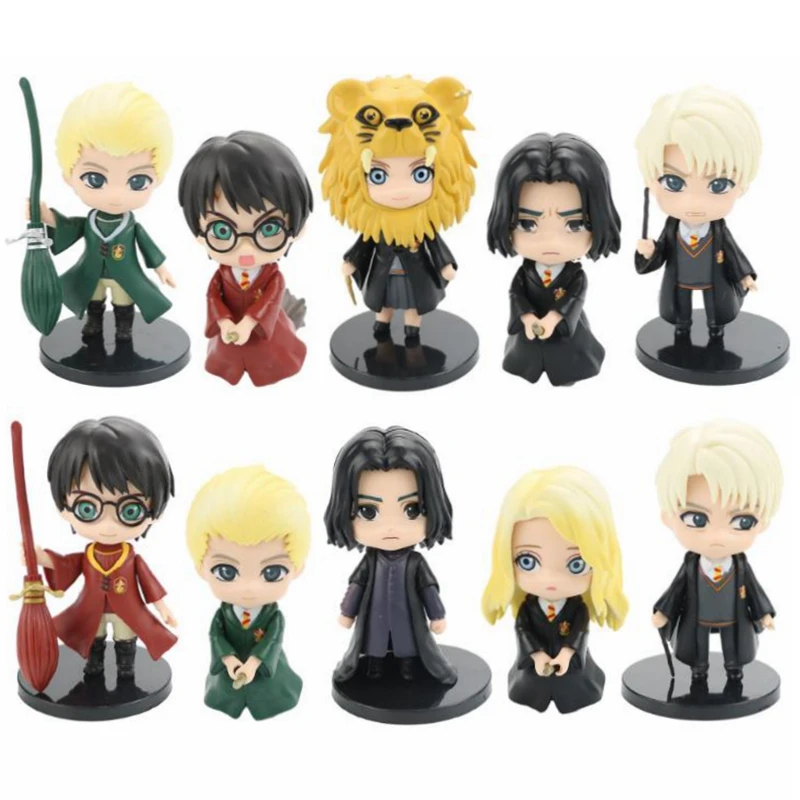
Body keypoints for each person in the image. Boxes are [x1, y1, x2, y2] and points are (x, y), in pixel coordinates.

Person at [178, 131, 313, 385]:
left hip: (267, 336)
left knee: (270, 358)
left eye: (269, 229)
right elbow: (213, 298)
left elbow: (270, 301)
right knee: (226, 358)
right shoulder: (221, 276)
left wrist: (249, 323)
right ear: (199, 233)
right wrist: (224, 322)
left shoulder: (273, 278)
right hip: (228, 336)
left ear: (297, 228)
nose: (246, 250)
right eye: (222, 230)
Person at [186, 466, 310, 719]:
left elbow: (272, 641)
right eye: (226, 572)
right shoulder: (223, 616)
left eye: (272, 572)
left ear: (297, 569)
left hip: (268, 680)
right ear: (201, 568)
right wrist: (228, 660)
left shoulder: (273, 617)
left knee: (271, 693)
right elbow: (215, 637)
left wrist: (254, 664)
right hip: (227, 680)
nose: (249, 588)